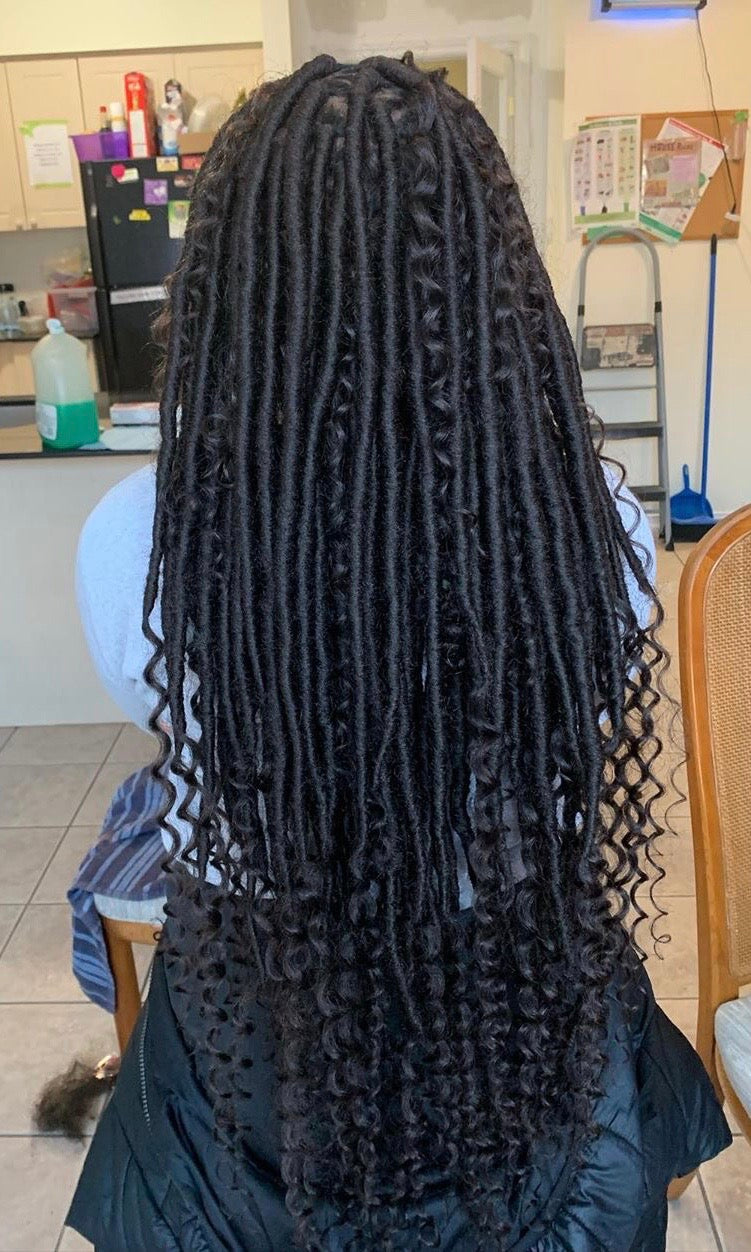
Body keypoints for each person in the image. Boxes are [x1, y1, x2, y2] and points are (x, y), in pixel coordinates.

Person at [67, 53, 729, 1252]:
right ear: (492, 280)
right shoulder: (594, 529)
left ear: (231, 281)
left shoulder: (137, 543)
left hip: (259, 1059)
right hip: (523, 1031)